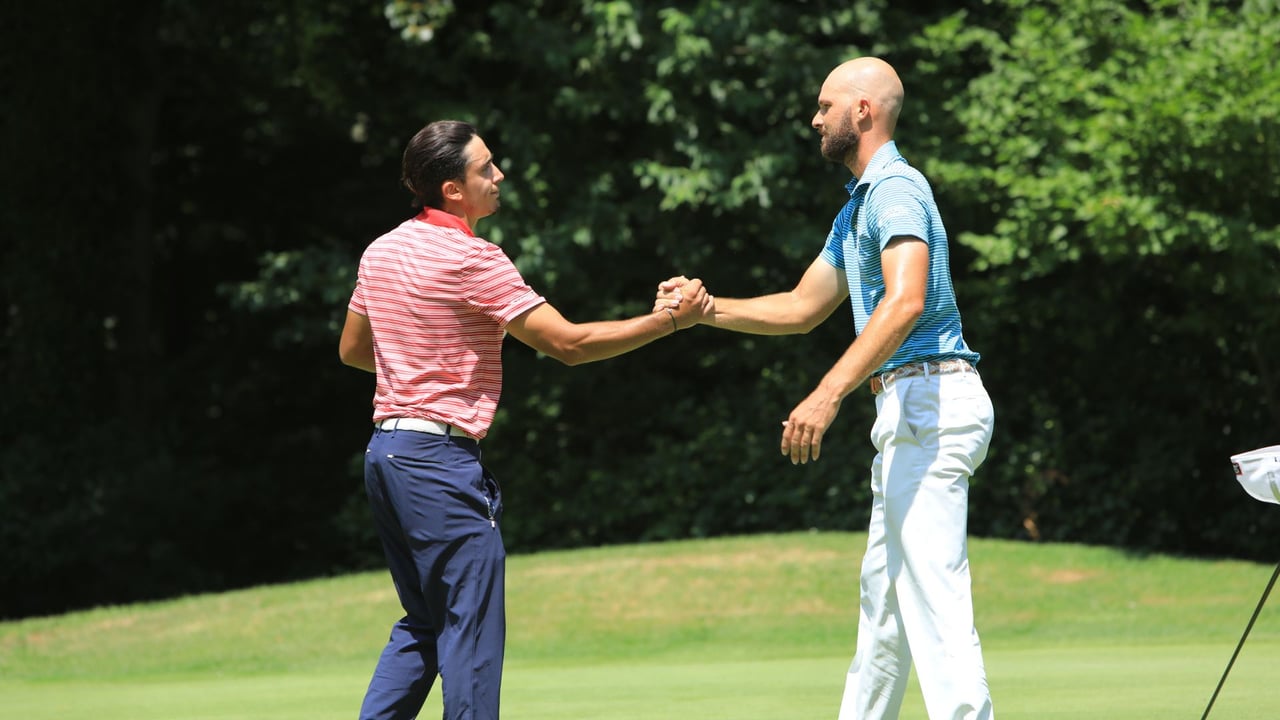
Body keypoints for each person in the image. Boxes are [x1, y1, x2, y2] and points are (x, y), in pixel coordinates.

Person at [658, 57, 996, 719]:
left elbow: (905, 301)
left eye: (824, 106)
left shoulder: (895, 189)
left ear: (862, 110)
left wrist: (828, 391)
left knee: (933, 602)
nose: (815, 120)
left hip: (930, 402)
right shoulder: (859, 206)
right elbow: (801, 306)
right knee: (885, 610)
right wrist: (707, 311)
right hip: (910, 409)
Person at [339, 119, 710, 720]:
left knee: (426, 622)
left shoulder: (381, 250)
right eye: (485, 168)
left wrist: (422, 364)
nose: (500, 175)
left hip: (387, 455)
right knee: (470, 629)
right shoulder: (473, 258)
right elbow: (569, 344)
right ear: (453, 189)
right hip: (438, 463)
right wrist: (670, 321)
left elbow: (354, 350)